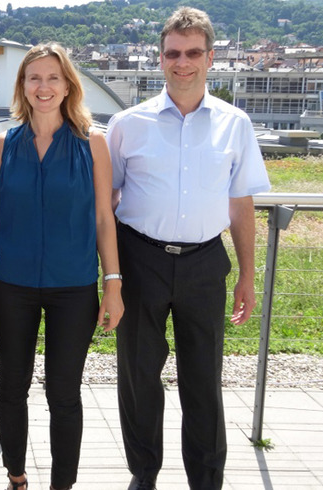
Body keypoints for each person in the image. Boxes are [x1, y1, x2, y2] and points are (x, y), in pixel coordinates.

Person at [106, 7, 271, 490]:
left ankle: (206, 480)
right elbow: (107, 204)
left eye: (193, 53)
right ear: (160, 59)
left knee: (204, 380)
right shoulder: (127, 124)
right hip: (139, 260)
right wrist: (110, 275)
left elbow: (241, 203)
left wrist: (246, 274)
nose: (183, 62)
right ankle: (144, 475)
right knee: (138, 378)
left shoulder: (234, 123)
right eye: (174, 53)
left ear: (210, 57)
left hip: (204, 262)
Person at [0, 43, 124, 490]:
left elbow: (102, 218)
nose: (43, 86)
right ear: (22, 85)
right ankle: (16, 476)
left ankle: (62, 484)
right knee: (11, 386)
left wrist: (112, 284)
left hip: (74, 287)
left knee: (63, 392)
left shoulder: (92, 143)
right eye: (34, 77)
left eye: (53, 77)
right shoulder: (5, 143)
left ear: (68, 85)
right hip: (11, 284)